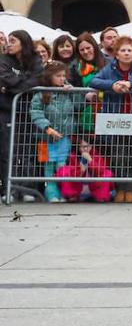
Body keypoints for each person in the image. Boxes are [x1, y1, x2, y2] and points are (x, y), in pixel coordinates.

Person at [91, 36, 132, 203]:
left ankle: (131, 190)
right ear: (116, 54)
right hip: (116, 120)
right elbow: (94, 81)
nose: (126, 53)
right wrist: (113, 85)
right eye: (122, 50)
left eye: (129, 50)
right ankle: (120, 189)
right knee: (119, 156)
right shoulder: (109, 69)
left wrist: (131, 84)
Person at [30, 62, 79, 202]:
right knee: (48, 165)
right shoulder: (40, 94)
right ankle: (51, 193)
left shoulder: (68, 91)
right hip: (44, 138)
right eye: (58, 76)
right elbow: (36, 112)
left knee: (61, 165)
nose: (62, 78)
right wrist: (48, 128)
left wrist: (74, 92)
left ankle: (63, 192)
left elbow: (80, 105)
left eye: (64, 75)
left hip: (64, 137)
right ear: (49, 76)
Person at [0, 30, 45, 185]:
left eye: (13, 41)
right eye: (8, 41)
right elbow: (6, 79)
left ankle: (28, 187)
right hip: (7, 110)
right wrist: (22, 82)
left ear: (23, 43)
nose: (8, 44)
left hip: (28, 111)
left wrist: (13, 87)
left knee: (28, 149)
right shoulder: (4, 59)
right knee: (7, 150)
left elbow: (37, 80)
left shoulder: (35, 59)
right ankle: (8, 188)